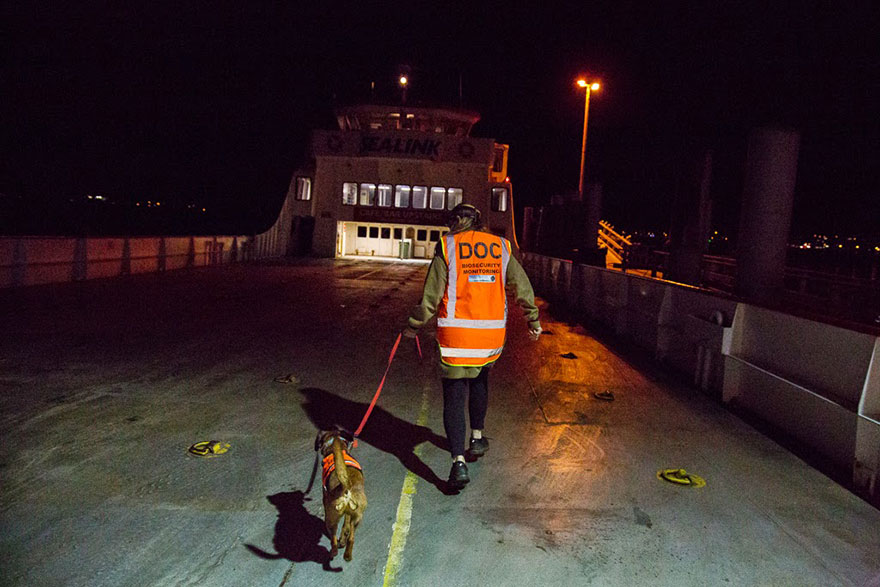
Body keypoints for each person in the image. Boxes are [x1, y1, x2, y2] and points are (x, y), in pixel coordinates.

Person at [404, 203, 541, 490]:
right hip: (489, 338)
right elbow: (521, 285)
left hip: (456, 339)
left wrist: (413, 325)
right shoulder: (500, 246)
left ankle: (458, 464)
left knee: (454, 396)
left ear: (455, 222)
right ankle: (477, 438)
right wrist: (533, 318)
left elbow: (431, 297)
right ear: (478, 221)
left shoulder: (448, 247)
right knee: (480, 380)